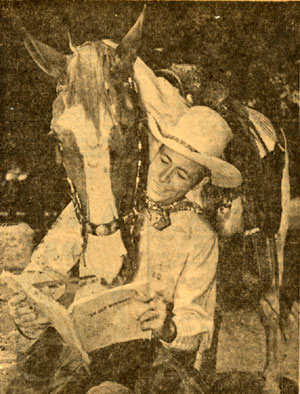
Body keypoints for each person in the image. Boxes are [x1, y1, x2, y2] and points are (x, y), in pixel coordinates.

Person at [7, 67, 242, 393]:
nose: (163, 178)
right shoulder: (105, 201)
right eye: (164, 162)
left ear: (198, 182)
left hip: (152, 355)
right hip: (87, 343)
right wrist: (31, 298)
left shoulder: (200, 236)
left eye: (181, 174)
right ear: (153, 153)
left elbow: (196, 320)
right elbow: (50, 260)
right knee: (20, 383)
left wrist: (168, 326)